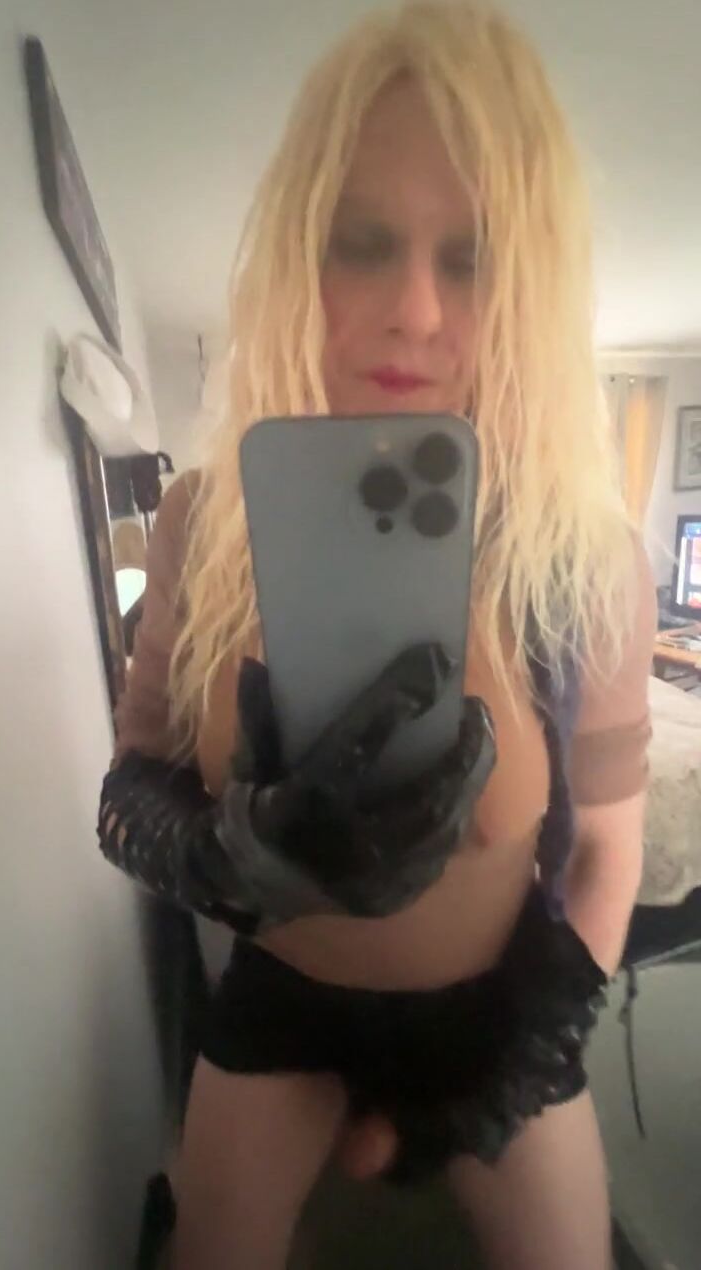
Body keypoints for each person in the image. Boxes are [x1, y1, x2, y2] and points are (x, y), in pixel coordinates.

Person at [97, 3, 657, 1267]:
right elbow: (129, 782)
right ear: (299, 256)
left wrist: (521, 1066)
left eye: (471, 257)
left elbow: (609, 853)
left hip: (495, 1012)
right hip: (283, 1001)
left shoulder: (587, 560)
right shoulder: (201, 522)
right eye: (363, 243)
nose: (412, 309)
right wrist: (219, 854)